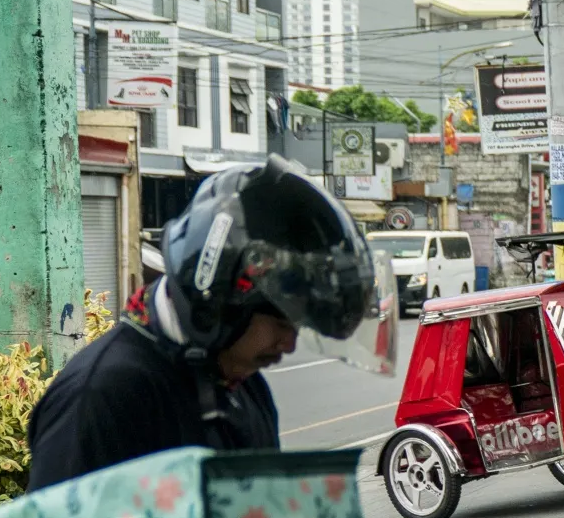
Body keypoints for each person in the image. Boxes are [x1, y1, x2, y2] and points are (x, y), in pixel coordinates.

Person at [27, 155, 377, 489]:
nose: (289, 345)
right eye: (283, 324)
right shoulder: (101, 398)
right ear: (222, 300)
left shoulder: (243, 387)